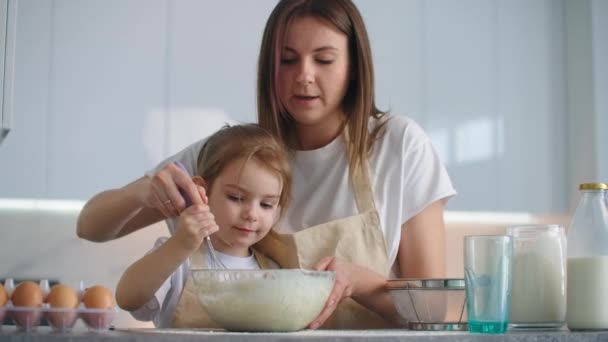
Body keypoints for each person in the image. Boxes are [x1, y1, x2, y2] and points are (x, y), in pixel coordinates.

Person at [77, 0, 455, 329]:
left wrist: (358, 281)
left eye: (323, 59)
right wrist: (145, 191)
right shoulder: (236, 154)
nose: (304, 75)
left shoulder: (398, 145)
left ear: (354, 66)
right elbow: (92, 226)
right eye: (287, 60)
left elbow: (434, 310)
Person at [114, 124, 291, 328]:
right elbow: (127, 299)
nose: (252, 214)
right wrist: (180, 245)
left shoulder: (276, 273)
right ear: (202, 191)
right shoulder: (178, 260)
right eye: (236, 197)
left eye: (266, 205)